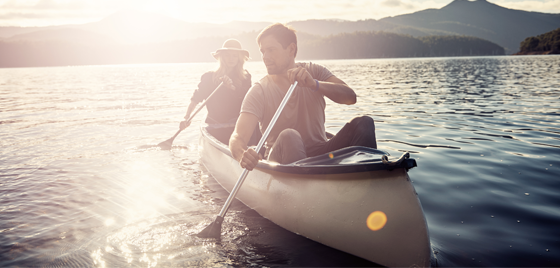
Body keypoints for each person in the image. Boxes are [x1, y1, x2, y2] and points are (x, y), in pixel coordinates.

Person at [229, 23, 377, 170]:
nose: (265, 57)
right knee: (290, 136)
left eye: (271, 50)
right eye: (263, 51)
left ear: (291, 49)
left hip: (320, 153)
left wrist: (315, 84)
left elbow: (351, 97)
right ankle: (304, 187)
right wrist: (242, 154)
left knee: (364, 123)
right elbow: (237, 138)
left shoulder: (314, 71)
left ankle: (371, 180)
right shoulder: (259, 91)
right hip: (280, 161)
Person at [180, 39, 255, 144]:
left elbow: (247, 98)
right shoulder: (209, 77)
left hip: (238, 125)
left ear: (239, 58)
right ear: (222, 57)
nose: (231, 59)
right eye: (227, 55)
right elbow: (196, 98)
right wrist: (186, 117)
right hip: (215, 126)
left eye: (234, 55)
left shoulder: (245, 77)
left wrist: (232, 87)